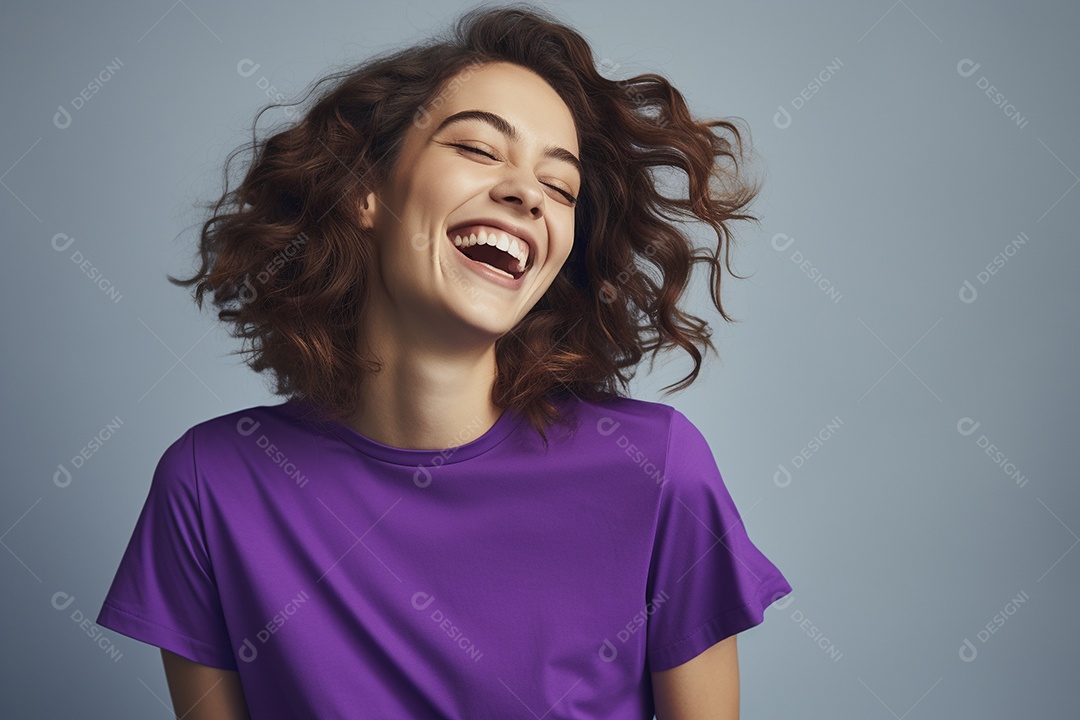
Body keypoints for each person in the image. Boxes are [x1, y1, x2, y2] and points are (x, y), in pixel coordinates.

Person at [95, 4, 792, 718]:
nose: (527, 193)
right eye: (481, 150)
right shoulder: (212, 486)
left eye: (560, 187)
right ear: (366, 190)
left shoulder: (656, 471)